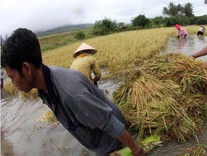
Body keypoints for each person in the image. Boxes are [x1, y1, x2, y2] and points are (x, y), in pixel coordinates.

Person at [1, 28, 146, 156]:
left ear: (26, 69)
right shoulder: (44, 87)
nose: (13, 84)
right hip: (97, 140)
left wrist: (136, 150)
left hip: (112, 140)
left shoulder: (72, 93)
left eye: (12, 77)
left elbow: (109, 123)